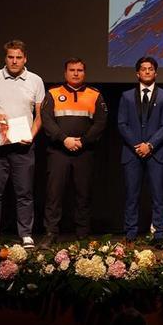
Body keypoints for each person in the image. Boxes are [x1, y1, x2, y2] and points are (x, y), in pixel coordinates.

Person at [0, 39, 45, 247]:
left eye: (18, 57)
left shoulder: (35, 80)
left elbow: (39, 115)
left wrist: (31, 135)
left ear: (25, 59)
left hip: (23, 142)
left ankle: (26, 234)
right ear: (5, 58)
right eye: (11, 57)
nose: (14, 61)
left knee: (24, 191)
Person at [40, 58, 108, 242]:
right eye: (72, 70)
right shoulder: (53, 93)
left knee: (83, 194)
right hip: (58, 152)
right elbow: (46, 120)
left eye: (79, 70)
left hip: (84, 152)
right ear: (65, 73)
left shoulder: (95, 95)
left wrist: (83, 141)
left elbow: (100, 123)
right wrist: (64, 140)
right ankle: (51, 233)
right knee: (54, 194)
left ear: (84, 73)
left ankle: (82, 234)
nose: (76, 73)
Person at [117, 56, 163, 244]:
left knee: (158, 196)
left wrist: (149, 145)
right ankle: (131, 233)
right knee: (131, 195)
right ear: (137, 73)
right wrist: (138, 145)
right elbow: (122, 124)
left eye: (151, 69)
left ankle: (159, 234)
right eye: (143, 69)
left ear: (156, 72)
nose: (147, 71)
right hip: (132, 153)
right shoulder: (126, 96)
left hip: (156, 153)